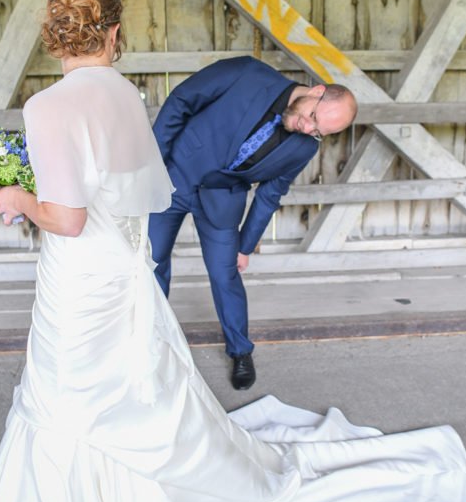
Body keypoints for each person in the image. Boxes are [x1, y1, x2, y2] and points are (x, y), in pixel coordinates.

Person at [0, 0, 466, 502]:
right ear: (113, 33)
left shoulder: (46, 107)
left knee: (66, 392)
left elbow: (64, 217)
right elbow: (141, 179)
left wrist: (15, 197)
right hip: (121, 268)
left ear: (52, 34)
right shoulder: (123, 92)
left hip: (82, 275)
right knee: (130, 386)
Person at [150, 57, 358, 391]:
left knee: (225, 275)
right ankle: (152, 346)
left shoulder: (304, 146)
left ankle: (241, 351)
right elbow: (182, 101)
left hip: (222, 204)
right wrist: (153, 165)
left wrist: (245, 246)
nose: (308, 130)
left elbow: (269, 195)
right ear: (316, 91)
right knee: (152, 264)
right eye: (312, 118)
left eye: (319, 132)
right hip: (171, 178)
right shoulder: (247, 72)